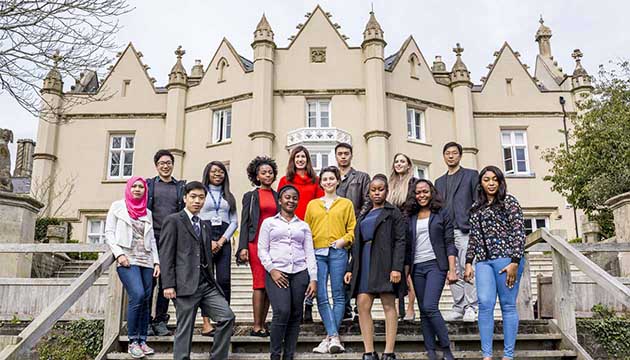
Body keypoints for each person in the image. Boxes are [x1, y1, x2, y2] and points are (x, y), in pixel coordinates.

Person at [160, 181, 235, 360]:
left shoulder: (204, 224)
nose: (197, 201)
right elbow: (166, 254)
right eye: (193, 197)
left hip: (206, 284)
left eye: (201, 198)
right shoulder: (173, 221)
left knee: (227, 317)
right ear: (185, 198)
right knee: (185, 329)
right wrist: (168, 284)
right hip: (183, 284)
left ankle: (217, 357)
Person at [464, 166, 526, 360]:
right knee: (485, 304)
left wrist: (515, 261)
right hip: (483, 262)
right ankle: (487, 355)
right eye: (486, 179)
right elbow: (473, 237)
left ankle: (508, 355)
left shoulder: (509, 202)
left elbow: (518, 232)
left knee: (507, 305)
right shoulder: (475, 207)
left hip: (507, 260)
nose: (490, 183)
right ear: (480, 183)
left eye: (494, 179)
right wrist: (468, 262)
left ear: (500, 182)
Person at [344, 174, 405, 360]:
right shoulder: (364, 214)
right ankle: (369, 351)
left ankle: (389, 351)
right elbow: (357, 243)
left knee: (388, 304)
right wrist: (350, 268)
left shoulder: (394, 212)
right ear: (369, 192)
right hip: (364, 261)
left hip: (385, 262)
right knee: (362, 304)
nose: (377, 193)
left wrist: (396, 268)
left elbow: (401, 241)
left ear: (386, 190)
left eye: (381, 189)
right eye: (373, 190)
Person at [258, 184, 318, 360]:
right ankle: (275, 355)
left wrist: (313, 278)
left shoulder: (304, 226)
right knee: (282, 311)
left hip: (300, 272)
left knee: (296, 313)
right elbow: (262, 249)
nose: (291, 200)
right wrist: (272, 270)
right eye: (287, 197)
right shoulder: (269, 223)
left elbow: (309, 253)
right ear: (280, 200)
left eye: (294, 198)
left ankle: (289, 355)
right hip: (277, 272)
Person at [105, 176, 160, 358]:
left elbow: (151, 239)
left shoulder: (147, 212)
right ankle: (132, 341)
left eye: (141, 187)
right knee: (137, 294)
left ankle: (143, 340)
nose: (137, 189)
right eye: (134, 186)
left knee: (146, 298)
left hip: (146, 259)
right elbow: (109, 233)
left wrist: (156, 261)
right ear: (129, 188)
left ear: (145, 190)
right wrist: (118, 254)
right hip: (127, 258)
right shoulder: (117, 207)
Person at [404, 179, 458, 360]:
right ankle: (431, 351)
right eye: (418, 192)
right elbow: (407, 246)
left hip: (436, 265)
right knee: (423, 309)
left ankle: (446, 348)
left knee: (430, 306)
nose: (421, 195)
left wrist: (452, 269)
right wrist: (406, 272)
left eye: (425, 191)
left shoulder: (442, 213)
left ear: (431, 192)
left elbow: (450, 242)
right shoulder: (410, 216)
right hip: (416, 266)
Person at [304, 166, 356, 354]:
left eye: (331, 179)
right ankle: (334, 336)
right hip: (318, 253)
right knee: (321, 295)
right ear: (321, 183)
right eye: (325, 179)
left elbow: (352, 229)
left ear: (337, 181)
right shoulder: (312, 205)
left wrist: (344, 241)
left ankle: (329, 338)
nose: (328, 182)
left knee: (339, 294)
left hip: (338, 252)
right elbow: (306, 231)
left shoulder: (346, 204)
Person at [277, 145, 324, 323]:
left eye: (303, 157)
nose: (300, 160)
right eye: (297, 157)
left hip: (308, 229)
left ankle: (308, 306)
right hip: (289, 228)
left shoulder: (315, 180)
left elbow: (319, 204)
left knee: (309, 268)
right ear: (293, 160)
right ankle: (290, 305)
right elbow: (279, 203)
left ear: (307, 159)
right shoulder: (285, 180)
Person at [435, 141, 479, 322]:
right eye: (447, 153)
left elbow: (477, 202)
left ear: (460, 155)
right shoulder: (439, 181)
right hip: (447, 231)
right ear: (444, 156)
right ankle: (459, 306)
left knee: (467, 267)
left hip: (464, 229)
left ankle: (472, 306)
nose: (451, 156)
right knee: (451, 269)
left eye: (454, 153)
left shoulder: (471, 175)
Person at [236, 156, 280, 337]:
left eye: (270, 172)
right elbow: (244, 222)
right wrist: (242, 247)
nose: (268, 175)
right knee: (259, 283)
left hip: (275, 244)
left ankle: (263, 323)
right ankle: (256, 326)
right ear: (257, 176)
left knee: (270, 284)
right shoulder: (251, 196)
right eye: (264, 173)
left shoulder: (278, 196)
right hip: (255, 243)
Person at [146, 149, 186, 336]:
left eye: (168, 162)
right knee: (149, 282)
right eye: (162, 163)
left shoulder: (180, 187)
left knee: (166, 282)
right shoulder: (149, 185)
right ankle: (145, 321)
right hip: (151, 239)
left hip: (172, 240)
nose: (165, 165)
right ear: (156, 166)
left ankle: (160, 320)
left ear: (172, 165)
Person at [199, 161, 238, 336]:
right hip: (204, 235)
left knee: (223, 280)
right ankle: (206, 323)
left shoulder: (228, 196)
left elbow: (234, 221)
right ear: (207, 173)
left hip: (223, 236)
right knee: (206, 280)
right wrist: (207, 241)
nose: (217, 174)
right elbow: (194, 216)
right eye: (214, 171)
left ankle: (224, 319)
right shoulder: (200, 193)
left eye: (221, 172)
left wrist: (222, 240)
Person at [334, 142, 370, 321]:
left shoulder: (362, 177)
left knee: (356, 267)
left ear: (351, 155)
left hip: (357, 228)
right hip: (337, 231)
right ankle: (345, 307)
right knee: (340, 270)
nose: (343, 156)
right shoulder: (332, 178)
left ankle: (358, 306)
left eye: (346, 153)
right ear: (336, 156)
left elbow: (367, 201)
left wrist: (357, 221)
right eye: (340, 153)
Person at [387, 153, 416, 320]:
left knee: (407, 271)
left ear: (408, 165)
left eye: (402, 161)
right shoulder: (390, 184)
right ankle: (398, 308)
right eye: (396, 161)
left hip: (407, 229)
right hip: (392, 230)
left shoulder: (412, 183)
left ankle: (410, 308)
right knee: (395, 268)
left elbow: (411, 206)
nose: (399, 164)